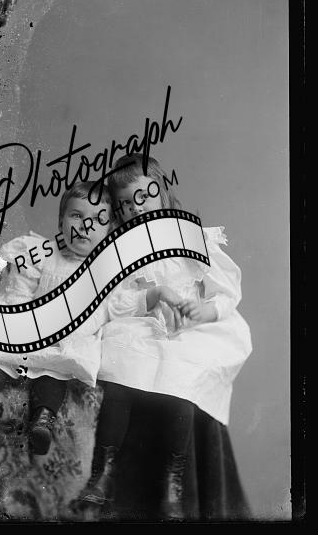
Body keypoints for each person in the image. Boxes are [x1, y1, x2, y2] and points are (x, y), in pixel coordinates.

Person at [75, 154, 252, 520]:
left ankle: (174, 482)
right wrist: (149, 299)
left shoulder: (191, 238)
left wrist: (205, 310)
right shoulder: (121, 251)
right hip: (143, 324)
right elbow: (115, 302)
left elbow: (227, 290)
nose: (136, 208)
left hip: (190, 326)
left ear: (163, 192)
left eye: (143, 197)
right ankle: (102, 473)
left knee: (181, 370)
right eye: (125, 204)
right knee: (121, 358)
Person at [0, 181, 117, 456]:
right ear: (61, 222)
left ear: (109, 231)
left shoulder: (104, 273)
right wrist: (20, 324)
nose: (85, 226)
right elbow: (20, 292)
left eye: (98, 220)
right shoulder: (43, 254)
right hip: (28, 333)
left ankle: (43, 419)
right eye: (77, 215)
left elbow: (100, 315)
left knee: (52, 377)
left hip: (64, 343)